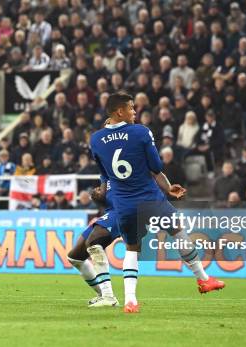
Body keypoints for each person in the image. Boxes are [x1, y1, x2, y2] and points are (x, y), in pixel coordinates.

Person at [89, 92, 224, 313]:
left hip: (124, 204)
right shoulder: (141, 132)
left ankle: (130, 301)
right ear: (119, 112)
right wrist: (168, 187)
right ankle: (203, 279)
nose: (135, 111)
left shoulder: (95, 139)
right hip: (150, 199)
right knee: (178, 232)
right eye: (131, 108)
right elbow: (156, 165)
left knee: (132, 249)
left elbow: (105, 175)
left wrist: (102, 191)